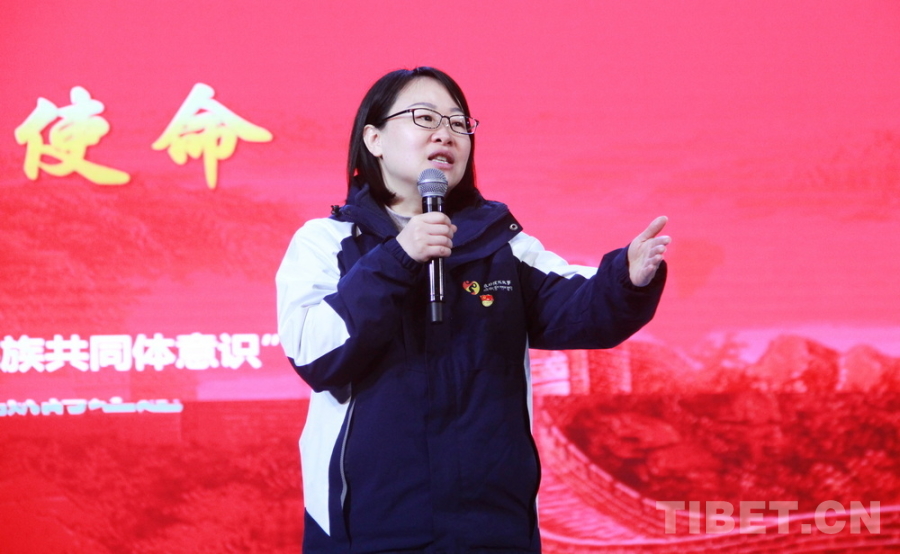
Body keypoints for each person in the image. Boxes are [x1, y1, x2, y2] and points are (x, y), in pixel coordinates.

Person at [276, 67, 670, 553]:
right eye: (425, 117)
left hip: (493, 528)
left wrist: (627, 277)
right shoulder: (326, 242)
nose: (445, 133)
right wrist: (399, 257)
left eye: (459, 123)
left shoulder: (500, 245)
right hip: (369, 528)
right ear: (373, 139)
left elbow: (581, 310)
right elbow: (316, 354)